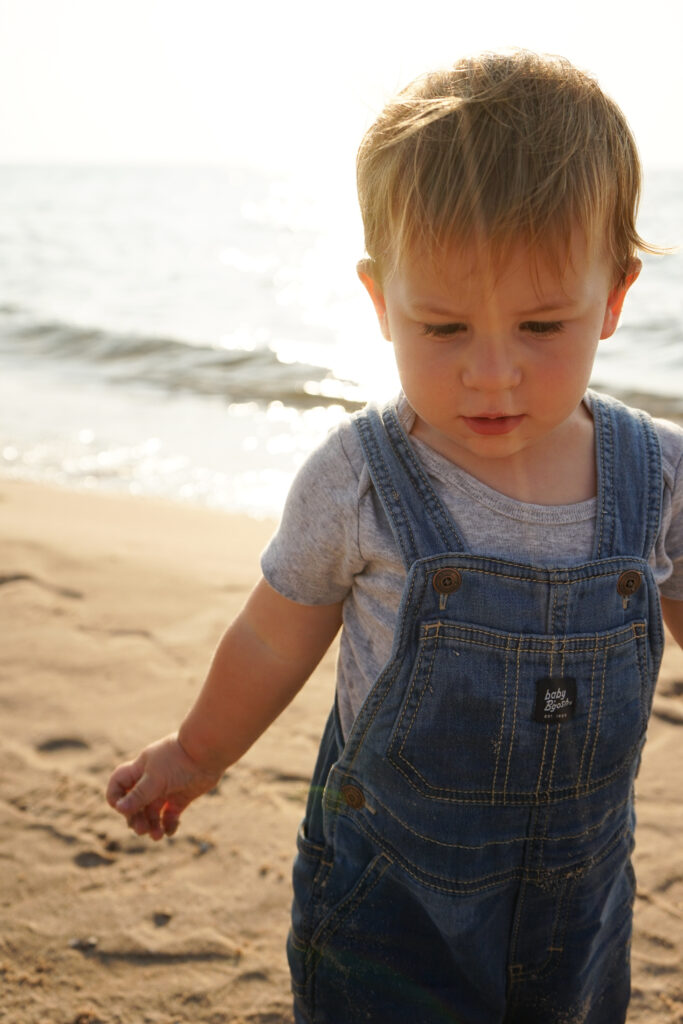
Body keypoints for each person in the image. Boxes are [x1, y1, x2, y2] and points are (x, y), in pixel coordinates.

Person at [107, 50, 683, 1023]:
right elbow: (270, 633)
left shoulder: (653, 473)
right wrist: (197, 754)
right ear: (380, 301)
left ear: (614, 296)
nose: (490, 375)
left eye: (541, 324)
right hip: (392, 908)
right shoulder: (361, 479)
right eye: (444, 328)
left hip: (577, 912)